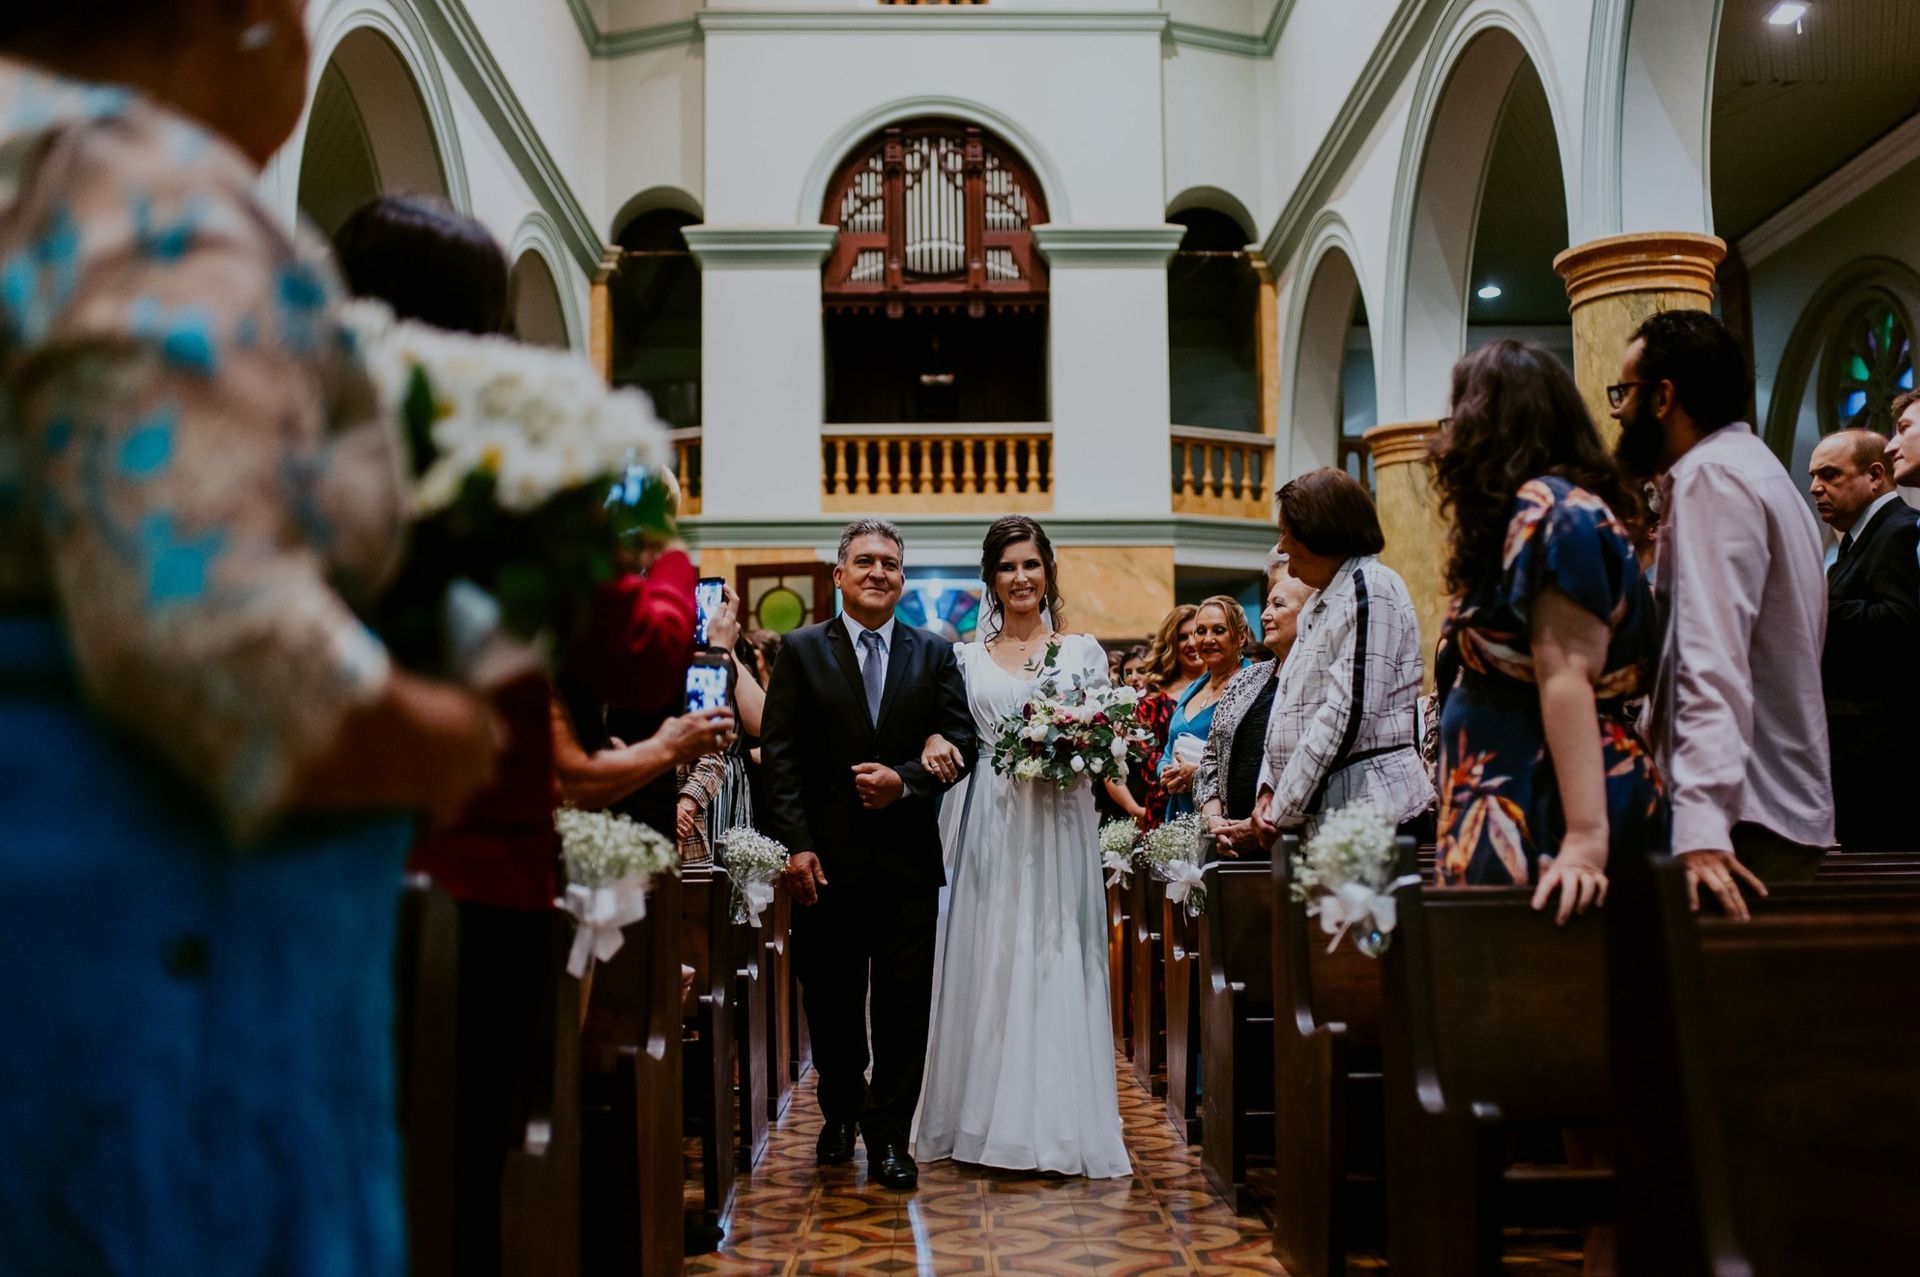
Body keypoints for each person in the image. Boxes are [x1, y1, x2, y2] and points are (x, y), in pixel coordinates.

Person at [0, 11, 507, 1273]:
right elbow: (206, 630)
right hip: (145, 929)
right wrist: (437, 737)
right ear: (240, 24)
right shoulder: (138, 185)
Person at [911, 516, 1132, 1179]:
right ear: (990, 578)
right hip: (991, 822)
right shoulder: (963, 659)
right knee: (994, 955)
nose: (1021, 578)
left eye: (1031, 564)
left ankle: (1061, 1123)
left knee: (1056, 954)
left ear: (1048, 571)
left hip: (1059, 819)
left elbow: (1108, 744)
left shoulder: (1083, 652)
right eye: (1007, 566)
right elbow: (944, 734)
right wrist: (931, 744)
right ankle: (981, 1119)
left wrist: (1080, 744)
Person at [760, 519, 976, 1190]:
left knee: (904, 1009)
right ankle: (840, 1110)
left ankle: (889, 1138)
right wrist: (795, 844)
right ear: (839, 574)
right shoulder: (800, 651)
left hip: (908, 863)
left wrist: (905, 780)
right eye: (864, 560)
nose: (878, 571)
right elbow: (782, 758)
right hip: (824, 864)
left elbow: (962, 741)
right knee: (830, 1003)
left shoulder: (934, 653)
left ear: (902, 577)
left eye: (889, 562)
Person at [1429, 341, 1669, 922]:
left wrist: (1585, 838)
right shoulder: (1536, 510)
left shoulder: (1555, 512)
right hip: (1515, 782)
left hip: (1547, 799)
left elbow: (1566, 674)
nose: (1448, 434)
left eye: (1460, 413)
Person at [1612, 310, 1833, 917]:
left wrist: (1700, 820)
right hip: (1762, 807)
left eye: (1623, 392)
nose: (1615, 411)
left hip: (1740, 821)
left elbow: (1712, 658)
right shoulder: (1756, 467)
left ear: (1664, 397)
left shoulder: (1714, 478)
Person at [1254, 469, 1435, 841]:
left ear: (1320, 533)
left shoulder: (1370, 587)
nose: (1283, 547)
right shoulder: (1321, 600)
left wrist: (1283, 809)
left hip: (1373, 811)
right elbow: (1289, 704)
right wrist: (1268, 788)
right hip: (1329, 814)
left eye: (1287, 532)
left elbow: (1347, 716)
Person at [1807, 429, 1920, 849]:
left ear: (1876, 476)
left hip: (1884, 755)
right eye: (1813, 476)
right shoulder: (1856, 544)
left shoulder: (1901, 531)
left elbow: (1902, 621)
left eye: (1830, 475)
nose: (1816, 487)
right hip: (1858, 753)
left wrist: (1817, 603)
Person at [1197, 569, 1315, 858]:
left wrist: (1257, 824)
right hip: (1230, 843)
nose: (1264, 615)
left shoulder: (1316, 679)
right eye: (1267, 605)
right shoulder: (1245, 679)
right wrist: (1214, 820)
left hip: (1289, 840)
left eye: (1279, 605)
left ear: (1311, 613)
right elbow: (1211, 757)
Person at [1158, 595, 1251, 822]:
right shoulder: (1193, 688)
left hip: (1224, 814)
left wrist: (1199, 774)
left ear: (1241, 636)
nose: (1208, 639)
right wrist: (1165, 771)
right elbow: (1169, 747)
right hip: (1179, 810)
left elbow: (1251, 762)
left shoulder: (1252, 685)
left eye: (1219, 630)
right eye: (1200, 631)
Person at [1135, 605, 1200, 830]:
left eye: (1197, 633)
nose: (1192, 643)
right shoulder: (1154, 697)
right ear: (1171, 644)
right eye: (1182, 637)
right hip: (1165, 802)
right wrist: (1174, 776)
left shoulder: (1229, 686)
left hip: (1218, 801)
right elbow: (1147, 754)